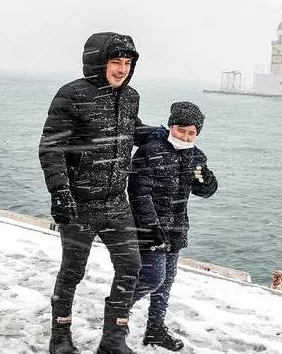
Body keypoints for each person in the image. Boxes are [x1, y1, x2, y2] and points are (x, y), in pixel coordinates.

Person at [39, 32, 155, 354]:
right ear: (98, 62)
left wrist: (163, 136)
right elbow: (51, 147)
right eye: (115, 62)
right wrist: (60, 191)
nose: (122, 69)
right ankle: (59, 335)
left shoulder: (130, 96)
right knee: (73, 271)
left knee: (131, 266)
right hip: (80, 204)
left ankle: (113, 339)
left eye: (127, 63)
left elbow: (131, 129)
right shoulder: (72, 95)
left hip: (117, 203)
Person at [127, 101, 218, 351]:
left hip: (177, 229)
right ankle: (116, 311)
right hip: (150, 229)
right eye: (181, 130)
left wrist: (208, 182)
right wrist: (151, 227)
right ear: (170, 126)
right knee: (152, 278)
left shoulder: (195, 155)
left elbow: (204, 190)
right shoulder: (150, 150)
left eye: (191, 133)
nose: (185, 136)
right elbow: (138, 192)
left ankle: (155, 329)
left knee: (166, 282)